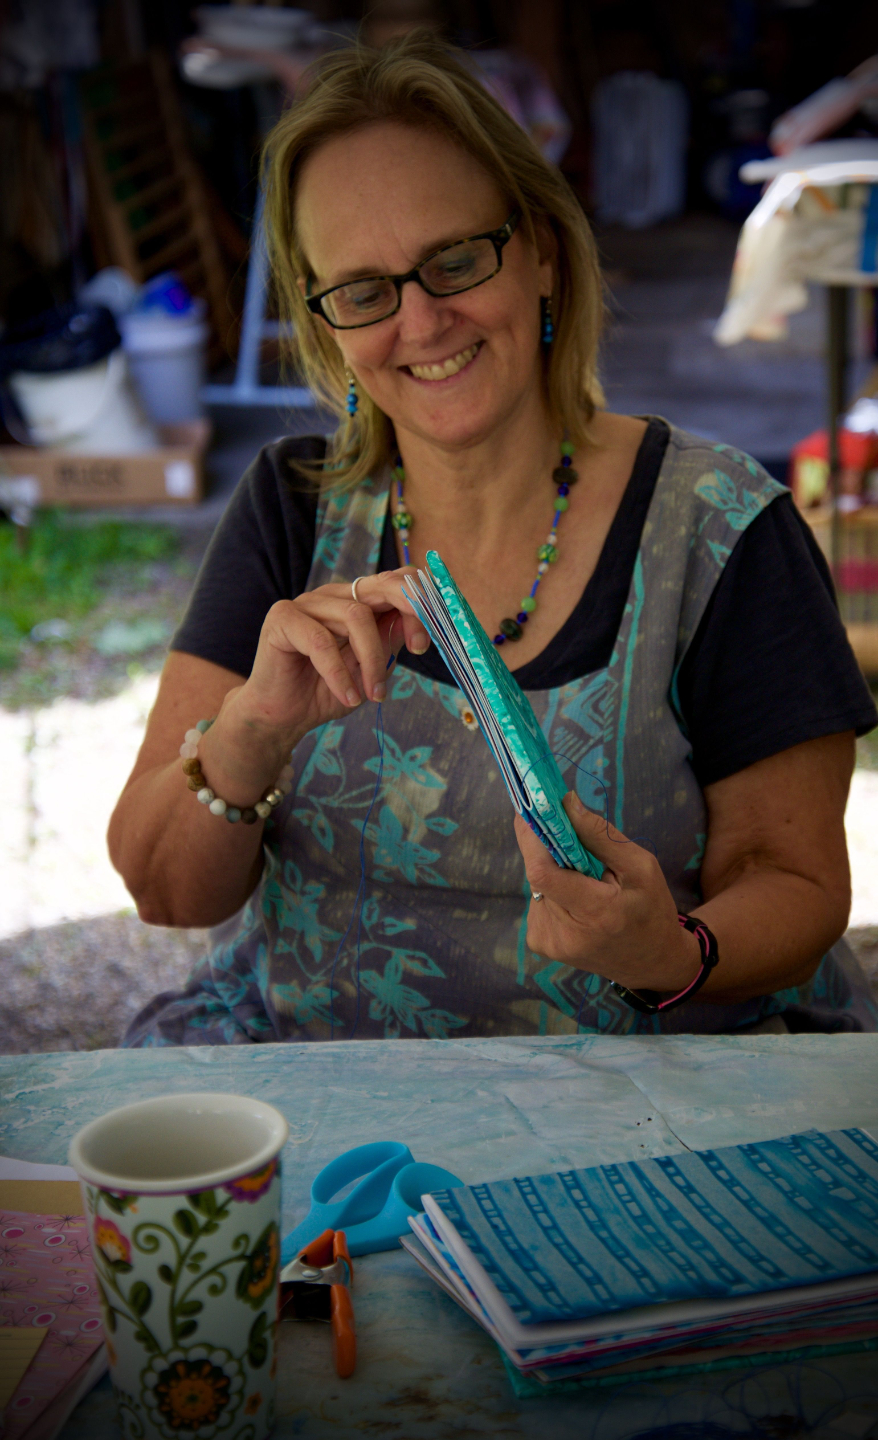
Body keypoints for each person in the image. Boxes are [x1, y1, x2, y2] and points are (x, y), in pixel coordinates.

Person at [111, 34, 878, 1047]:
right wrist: (251, 730)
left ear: (542, 252)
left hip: (645, 1090)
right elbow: (166, 892)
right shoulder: (294, 508)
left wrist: (669, 951)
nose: (423, 321)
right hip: (317, 1079)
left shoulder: (716, 526)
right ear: (327, 321)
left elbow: (798, 887)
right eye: (363, 290)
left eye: (456, 260)